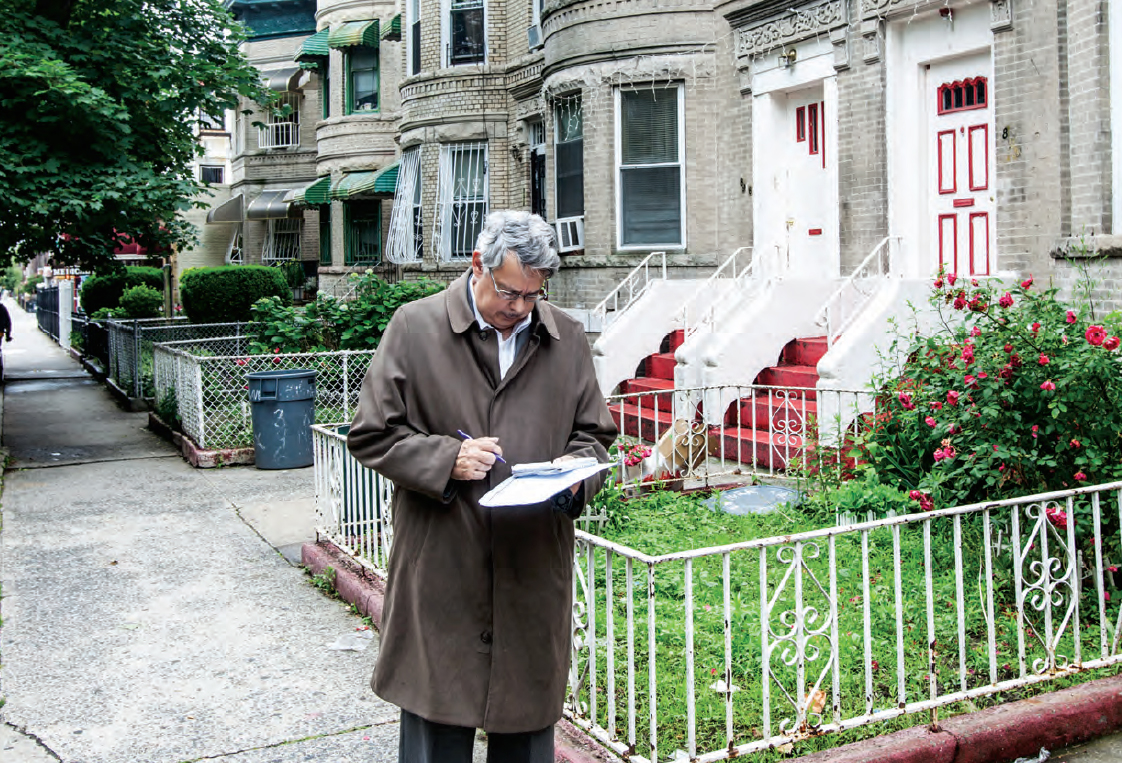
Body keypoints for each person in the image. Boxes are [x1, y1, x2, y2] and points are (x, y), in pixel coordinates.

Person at [347, 210, 617, 763]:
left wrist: (570, 481)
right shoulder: (415, 327)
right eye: (509, 291)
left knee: (526, 731)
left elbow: (595, 438)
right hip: (442, 567)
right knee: (436, 732)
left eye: (532, 295)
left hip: (532, 569)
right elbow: (372, 433)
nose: (519, 307)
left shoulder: (564, 338)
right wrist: (446, 457)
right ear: (478, 265)